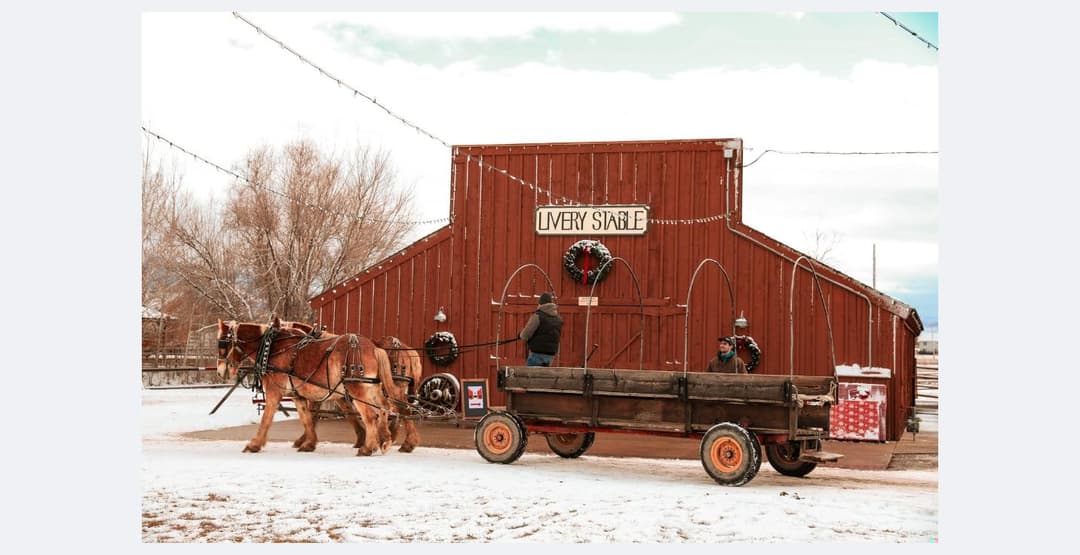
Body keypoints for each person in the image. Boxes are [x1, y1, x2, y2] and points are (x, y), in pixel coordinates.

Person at [519, 292, 563, 367]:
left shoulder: (538, 316)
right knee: (544, 374)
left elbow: (525, 335)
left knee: (531, 374)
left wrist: (520, 335)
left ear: (540, 303)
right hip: (551, 354)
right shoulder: (558, 319)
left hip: (537, 353)